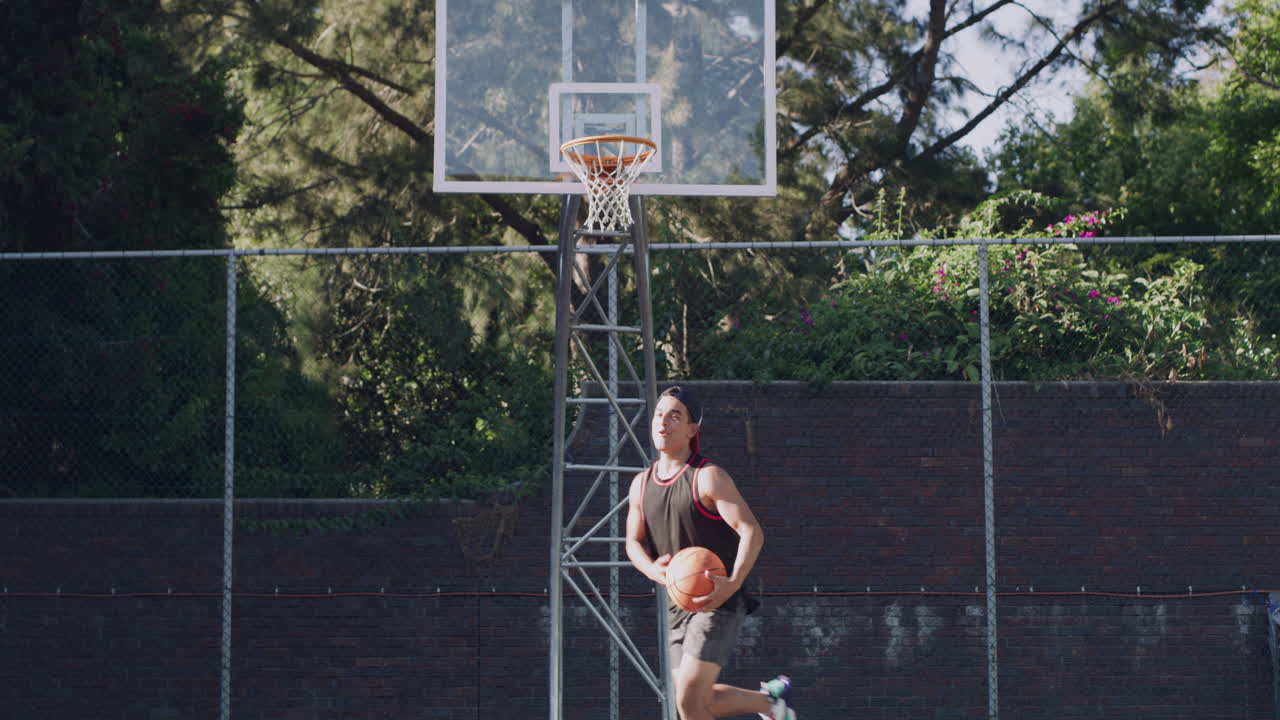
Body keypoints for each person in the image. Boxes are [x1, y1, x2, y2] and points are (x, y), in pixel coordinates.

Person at [625, 386, 796, 720]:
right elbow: (633, 542)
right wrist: (651, 569)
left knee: (689, 702)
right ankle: (771, 704)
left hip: (718, 600)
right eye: (660, 414)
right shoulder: (640, 484)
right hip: (678, 604)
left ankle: (771, 704)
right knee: (694, 701)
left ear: (692, 429)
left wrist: (732, 583)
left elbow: (752, 531)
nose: (664, 422)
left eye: (675, 416)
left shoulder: (707, 477)